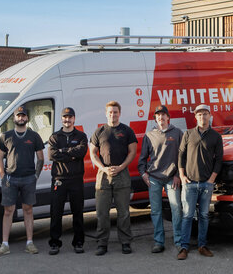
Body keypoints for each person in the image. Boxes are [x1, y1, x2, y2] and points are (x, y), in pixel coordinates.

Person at [0, 106, 45, 256]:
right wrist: (3, 176)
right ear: (14, 118)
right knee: (8, 211)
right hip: (10, 179)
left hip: (29, 179)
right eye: (18, 116)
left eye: (23, 116)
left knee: (28, 210)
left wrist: (36, 176)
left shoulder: (34, 136)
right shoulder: (6, 136)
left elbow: (41, 158)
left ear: (27, 118)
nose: (21, 118)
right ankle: (4, 245)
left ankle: (30, 243)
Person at [89, 101, 137, 255]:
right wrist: (103, 168)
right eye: (110, 112)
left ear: (119, 113)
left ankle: (125, 242)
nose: (113, 114)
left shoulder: (127, 131)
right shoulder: (99, 131)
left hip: (122, 173)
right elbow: (92, 153)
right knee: (102, 212)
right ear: (106, 113)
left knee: (123, 212)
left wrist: (121, 167)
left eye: (115, 112)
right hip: (103, 175)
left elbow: (132, 152)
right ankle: (102, 243)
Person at [176, 104, 223, 260]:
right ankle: (184, 247)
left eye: (205, 114)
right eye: (199, 114)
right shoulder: (188, 134)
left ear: (210, 116)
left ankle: (202, 246)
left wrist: (211, 180)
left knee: (203, 216)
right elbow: (181, 156)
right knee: (187, 216)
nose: (202, 117)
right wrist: (182, 176)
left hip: (206, 184)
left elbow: (219, 160)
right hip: (189, 183)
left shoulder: (216, 136)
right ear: (195, 117)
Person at [137, 105, 183, 254]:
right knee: (156, 211)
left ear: (168, 117)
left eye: (163, 115)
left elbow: (183, 156)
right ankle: (159, 241)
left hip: (172, 178)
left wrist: (178, 175)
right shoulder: (149, 136)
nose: (161, 118)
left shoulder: (177, 133)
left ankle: (178, 241)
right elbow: (142, 159)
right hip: (154, 178)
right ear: (155, 118)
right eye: (158, 115)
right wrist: (144, 174)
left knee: (176, 209)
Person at [47, 107, 88, 255]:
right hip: (59, 180)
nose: (67, 120)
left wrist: (63, 151)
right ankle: (54, 243)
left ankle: (78, 242)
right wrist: (71, 154)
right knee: (56, 213)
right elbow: (52, 155)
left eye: (70, 117)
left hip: (76, 179)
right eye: (65, 117)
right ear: (61, 119)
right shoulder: (55, 136)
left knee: (77, 212)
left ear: (74, 119)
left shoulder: (81, 135)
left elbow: (81, 151)